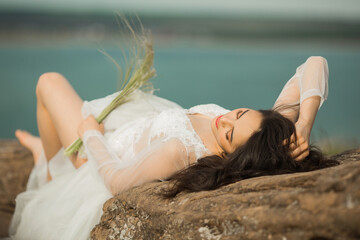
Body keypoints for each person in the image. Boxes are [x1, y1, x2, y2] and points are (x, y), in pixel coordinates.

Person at [9, 37, 337, 238]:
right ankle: (47, 156)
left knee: (48, 83)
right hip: (128, 126)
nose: (224, 121)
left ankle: (54, 173)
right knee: (56, 98)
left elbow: (116, 182)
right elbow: (314, 64)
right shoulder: (258, 134)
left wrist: (91, 135)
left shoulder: (179, 151)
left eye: (229, 134)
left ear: (234, 156)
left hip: (95, 156)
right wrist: (302, 123)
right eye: (239, 112)